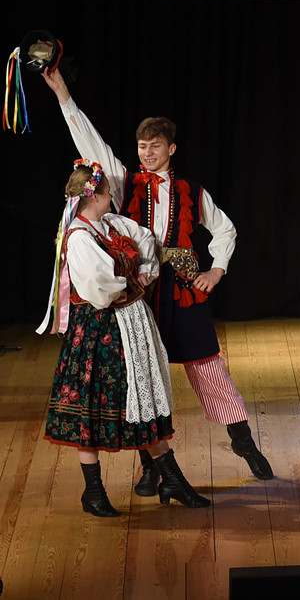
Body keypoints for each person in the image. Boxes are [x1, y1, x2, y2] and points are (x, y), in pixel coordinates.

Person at [42, 68, 273, 493]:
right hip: (138, 297)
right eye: (141, 146)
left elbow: (224, 229)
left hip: (182, 292)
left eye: (154, 146)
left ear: (171, 148)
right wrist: (63, 95)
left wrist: (215, 271)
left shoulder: (190, 190)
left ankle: (244, 443)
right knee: (137, 379)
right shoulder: (121, 181)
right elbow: (90, 141)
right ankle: (152, 467)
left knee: (207, 367)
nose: (146, 153)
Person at [43, 160, 209, 515]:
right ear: (96, 196)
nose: (112, 197)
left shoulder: (108, 224)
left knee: (143, 400)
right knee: (94, 409)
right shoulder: (81, 238)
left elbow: (145, 238)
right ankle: (94, 493)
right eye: (107, 193)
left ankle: (173, 481)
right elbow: (100, 289)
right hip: (101, 330)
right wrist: (132, 284)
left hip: (132, 324)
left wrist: (145, 273)